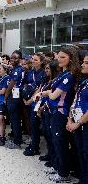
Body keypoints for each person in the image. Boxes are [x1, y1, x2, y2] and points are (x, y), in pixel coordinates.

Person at [38, 47, 80, 183]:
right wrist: (46, 93)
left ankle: (64, 173)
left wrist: (47, 93)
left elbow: (54, 94)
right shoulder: (63, 74)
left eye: (63, 57)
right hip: (53, 111)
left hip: (61, 113)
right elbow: (51, 91)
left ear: (71, 59)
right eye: (59, 57)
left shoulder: (69, 76)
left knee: (60, 142)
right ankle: (57, 166)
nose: (59, 59)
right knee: (55, 141)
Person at [66, 51, 88, 184]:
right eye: (83, 62)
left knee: (86, 153)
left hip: (84, 123)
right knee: (80, 152)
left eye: (86, 63)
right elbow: (75, 101)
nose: (83, 64)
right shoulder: (83, 81)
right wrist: (70, 119)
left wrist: (77, 123)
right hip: (77, 121)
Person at [23, 53, 45, 156]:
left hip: (37, 103)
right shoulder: (30, 72)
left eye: (36, 60)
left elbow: (40, 88)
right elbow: (26, 85)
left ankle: (35, 147)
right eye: (32, 59)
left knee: (35, 125)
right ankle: (33, 143)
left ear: (41, 62)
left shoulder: (43, 73)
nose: (33, 61)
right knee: (32, 124)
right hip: (28, 101)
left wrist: (30, 100)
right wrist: (24, 97)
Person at [5, 50, 25, 149]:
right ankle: (16, 138)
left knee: (15, 119)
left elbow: (10, 85)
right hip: (14, 96)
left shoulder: (18, 70)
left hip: (14, 96)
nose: (12, 59)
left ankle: (17, 142)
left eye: (15, 58)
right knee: (14, 119)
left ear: (20, 59)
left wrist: (5, 96)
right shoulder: (15, 68)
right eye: (12, 57)